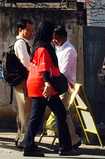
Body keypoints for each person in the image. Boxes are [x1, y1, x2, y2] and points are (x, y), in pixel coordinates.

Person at [22, 21, 77, 157]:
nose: (53, 34)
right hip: (44, 86)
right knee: (60, 113)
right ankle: (65, 147)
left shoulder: (37, 46)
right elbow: (44, 67)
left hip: (35, 85)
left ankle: (28, 146)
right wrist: (47, 84)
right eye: (51, 31)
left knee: (36, 116)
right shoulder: (43, 48)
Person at [53, 26, 81, 150]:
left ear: (64, 38)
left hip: (64, 86)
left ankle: (72, 139)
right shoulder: (58, 48)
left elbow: (63, 71)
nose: (54, 41)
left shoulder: (69, 51)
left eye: (57, 39)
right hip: (57, 85)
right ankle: (70, 139)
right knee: (61, 114)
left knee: (62, 114)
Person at [14, 19, 35, 149]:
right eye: (28, 30)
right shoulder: (20, 44)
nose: (31, 33)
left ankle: (20, 137)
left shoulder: (22, 43)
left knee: (22, 111)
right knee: (26, 111)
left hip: (20, 81)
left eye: (32, 31)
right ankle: (24, 140)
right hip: (23, 81)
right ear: (20, 30)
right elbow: (26, 62)